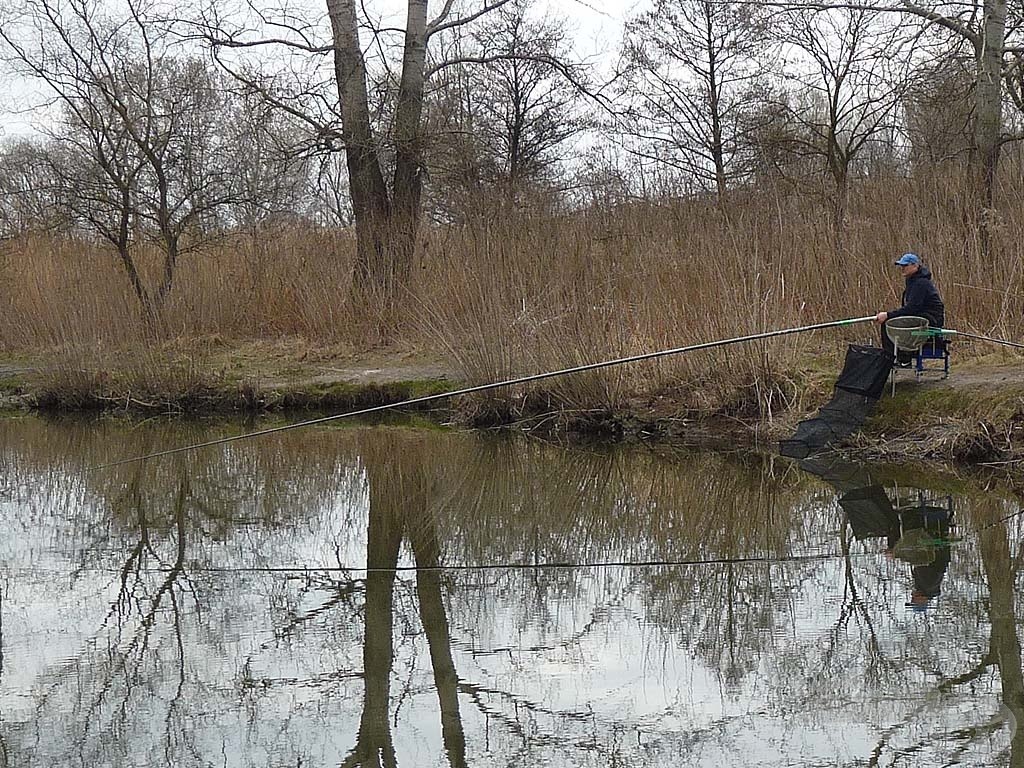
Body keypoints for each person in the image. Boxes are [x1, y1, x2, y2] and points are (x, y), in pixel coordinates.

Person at [874, 252, 945, 361]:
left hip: (929, 319)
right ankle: (900, 356)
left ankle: (894, 358)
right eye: (901, 266)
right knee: (892, 321)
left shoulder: (921, 283)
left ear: (915, 266)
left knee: (888, 322)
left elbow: (912, 308)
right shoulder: (912, 281)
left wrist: (888, 315)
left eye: (905, 266)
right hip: (919, 316)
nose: (902, 268)